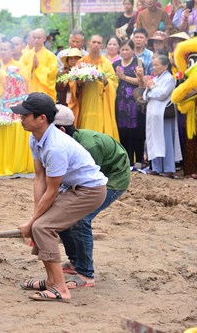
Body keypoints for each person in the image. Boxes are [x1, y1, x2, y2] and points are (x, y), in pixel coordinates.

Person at [13, 93, 107, 303]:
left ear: (41, 119)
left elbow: (52, 190)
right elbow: (40, 179)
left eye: (25, 115)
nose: (21, 119)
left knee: (42, 227)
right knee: (40, 224)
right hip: (72, 188)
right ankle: (50, 281)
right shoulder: (35, 137)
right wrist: (35, 217)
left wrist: (33, 223)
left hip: (89, 191)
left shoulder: (55, 147)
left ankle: (61, 288)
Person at [52, 104, 130, 289]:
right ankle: (75, 262)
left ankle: (86, 274)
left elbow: (89, 183)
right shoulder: (66, 143)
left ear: (61, 130)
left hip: (112, 181)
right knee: (60, 214)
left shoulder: (88, 146)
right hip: (93, 180)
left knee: (81, 219)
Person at [69, 35, 119, 140]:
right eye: (94, 42)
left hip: (100, 103)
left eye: (99, 43)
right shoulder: (81, 62)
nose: (96, 45)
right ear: (89, 43)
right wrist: (78, 82)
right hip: (85, 102)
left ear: (102, 46)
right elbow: (74, 84)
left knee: (99, 133)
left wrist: (105, 80)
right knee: (85, 130)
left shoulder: (106, 63)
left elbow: (113, 83)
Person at [143, 55, 182, 177]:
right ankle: (156, 167)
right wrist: (150, 87)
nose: (154, 68)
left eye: (157, 65)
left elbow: (163, 94)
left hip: (163, 115)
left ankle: (169, 168)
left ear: (165, 66)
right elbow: (146, 95)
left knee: (165, 141)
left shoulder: (169, 78)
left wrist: (151, 86)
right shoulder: (156, 77)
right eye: (153, 65)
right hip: (153, 115)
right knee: (154, 140)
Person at [113, 40, 145, 168]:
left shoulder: (138, 63)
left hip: (134, 101)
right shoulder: (115, 64)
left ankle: (139, 160)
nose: (125, 52)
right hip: (120, 102)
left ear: (132, 50)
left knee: (136, 131)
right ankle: (126, 160)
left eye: (127, 49)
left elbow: (141, 82)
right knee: (123, 131)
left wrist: (124, 77)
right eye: (122, 50)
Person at [19, 29, 59, 100]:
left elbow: (52, 75)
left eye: (39, 38)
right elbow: (20, 73)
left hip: (45, 94)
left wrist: (39, 66)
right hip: (29, 93)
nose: (36, 40)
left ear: (44, 39)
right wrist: (31, 67)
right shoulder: (26, 55)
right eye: (34, 37)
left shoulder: (50, 56)